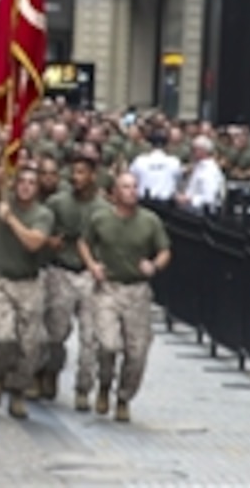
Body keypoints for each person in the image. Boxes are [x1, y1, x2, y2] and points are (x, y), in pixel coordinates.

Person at [79, 172, 171, 423]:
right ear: (115, 193)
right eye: (126, 187)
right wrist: (92, 266)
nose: (132, 191)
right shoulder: (100, 218)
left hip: (137, 291)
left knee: (137, 351)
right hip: (108, 287)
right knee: (108, 343)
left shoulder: (150, 221)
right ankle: (105, 385)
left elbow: (164, 250)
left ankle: (123, 397)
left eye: (134, 187)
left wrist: (154, 265)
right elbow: (84, 243)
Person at [0, 165, 54, 420]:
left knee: (30, 345)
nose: (26, 186)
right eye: (21, 181)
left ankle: (17, 392)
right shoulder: (1, 204)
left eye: (32, 182)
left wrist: (10, 219)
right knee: (2, 337)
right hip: (1, 283)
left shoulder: (42, 214)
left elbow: (33, 243)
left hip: (29, 285)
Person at [40, 154, 105, 411]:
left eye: (81, 172)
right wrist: (50, 242)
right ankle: (51, 371)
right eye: (73, 172)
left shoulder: (103, 209)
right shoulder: (57, 203)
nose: (76, 177)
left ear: (92, 176)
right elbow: (44, 230)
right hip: (62, 272)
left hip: (88, 276)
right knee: (56, 332)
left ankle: (83, 388)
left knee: (90, 337)